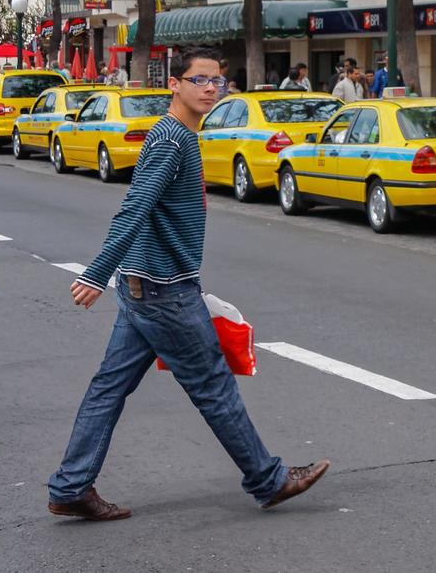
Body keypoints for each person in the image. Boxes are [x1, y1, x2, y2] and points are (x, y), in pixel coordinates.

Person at [47, 47, 329, 520]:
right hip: (163, 291)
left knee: (108, 389)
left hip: (144, 286)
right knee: (213, 386)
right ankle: (268, 478)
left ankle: (71, 486)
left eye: (215, 81)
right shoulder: (171, 141)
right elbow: (134, 208)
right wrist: (96, 273)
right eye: (198, 80)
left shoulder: (179, 137)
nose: (209, 88)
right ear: (174, 85)